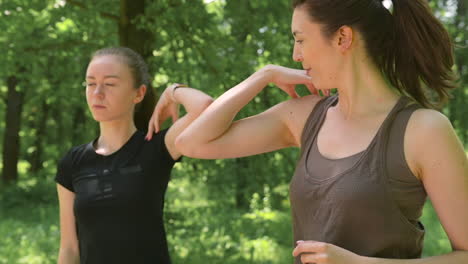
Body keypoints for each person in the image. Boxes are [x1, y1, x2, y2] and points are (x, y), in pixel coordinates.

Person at [153, 0, 468, 263]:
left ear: (343, 38)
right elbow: (191, 142)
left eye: (300, 39)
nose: (295, 55)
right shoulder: (304, 116)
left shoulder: (424, 130)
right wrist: (265, 75)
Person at [55, 47, 213, 264]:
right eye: (91, 83)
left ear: (138, 93)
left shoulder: (157, 146)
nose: (97, 93)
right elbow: (69, 249)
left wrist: (172, 92)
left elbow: (206, 108)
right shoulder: (73, 162)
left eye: (109, 84)